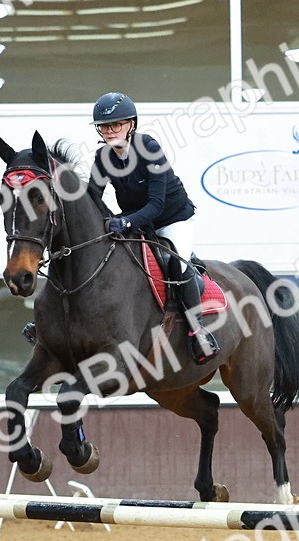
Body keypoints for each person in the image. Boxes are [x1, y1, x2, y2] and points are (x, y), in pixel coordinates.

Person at [86, 92, 219, 365]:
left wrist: (125, 222)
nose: (110, 131)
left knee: (175, 263)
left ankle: (198, 332)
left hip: (172, 218)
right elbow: (91, 198)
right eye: (104, 127)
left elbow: (156, 204)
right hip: (137, 220)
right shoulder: (103, 157)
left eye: (116, 125)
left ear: (131, 124)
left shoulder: (149, 147)